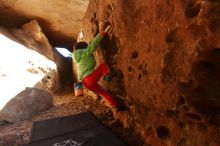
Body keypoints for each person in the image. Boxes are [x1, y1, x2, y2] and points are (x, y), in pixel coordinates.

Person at [72, 25, 118, 108]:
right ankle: (106, 76)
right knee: (103, 65)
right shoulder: (85, 52)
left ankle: (114, 105)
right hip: (90, 78)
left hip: (86, 84)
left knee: (102, 92)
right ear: (84, 47)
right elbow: (94, 44)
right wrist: (103, 33)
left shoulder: (77, 58)